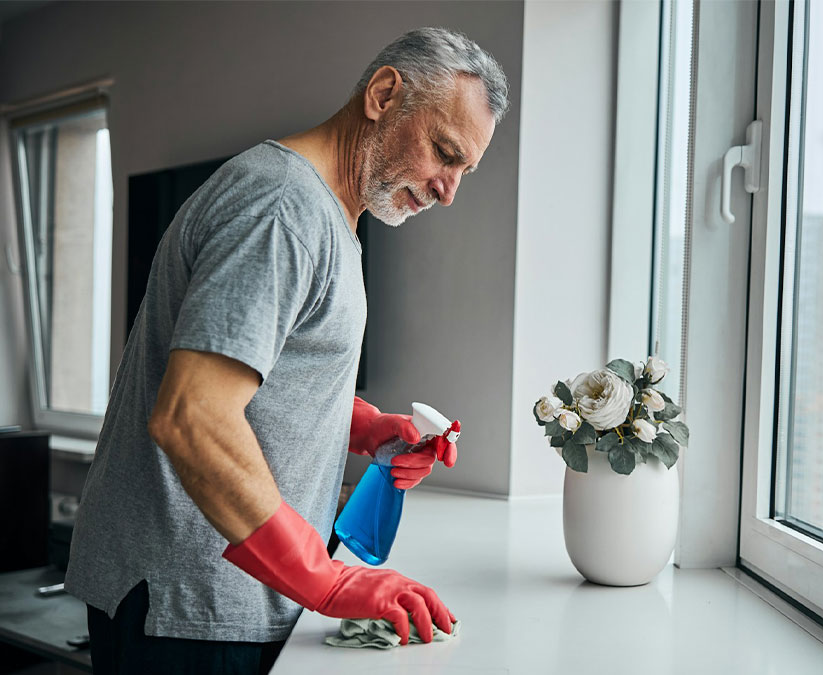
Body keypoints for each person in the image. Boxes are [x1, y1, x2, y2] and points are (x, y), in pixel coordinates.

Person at [63, 27, 509, 675]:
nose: (449, 190)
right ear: (384, 94)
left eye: (464, 170)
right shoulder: (283, 207)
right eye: (444, 153)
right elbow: (193, 417)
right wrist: (324, 579)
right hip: (185, 610)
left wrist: (367, 427)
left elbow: (264, 376)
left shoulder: (329, 216)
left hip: (221, 601)